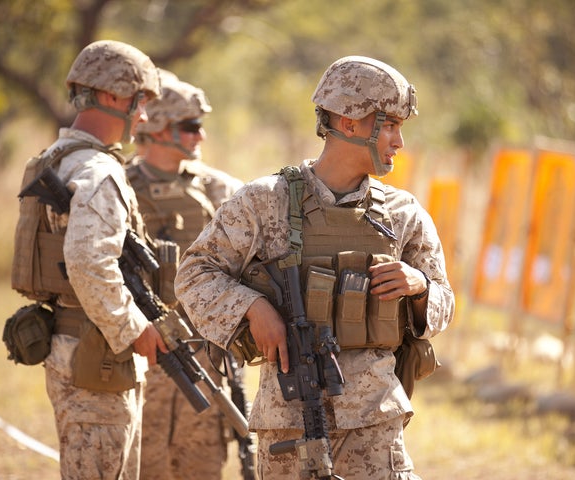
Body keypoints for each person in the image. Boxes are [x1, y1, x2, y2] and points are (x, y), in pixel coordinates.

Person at [174, 55, 455, 479]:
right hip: (289, 419)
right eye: (391, 125)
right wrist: (252, 307)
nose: (399, 142)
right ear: (349, 122)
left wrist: (419, 288)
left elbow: (444, 302)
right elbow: (194, 273)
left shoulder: (402, 213)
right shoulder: (264, 200)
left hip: (374, 422)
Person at [10, 40, 167, 479]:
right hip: (96, 356)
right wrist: (135, 328)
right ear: (113, 97)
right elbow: (87, 263)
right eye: (140, 102)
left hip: (75, 341)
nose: (144, 116)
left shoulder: (60, 160)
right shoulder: (99, 171)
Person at [126, 73, 250, 479]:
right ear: (157, 127)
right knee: (143, 462)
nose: (200, 136)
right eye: (190, 126)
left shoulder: (219, 189)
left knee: (202, 463)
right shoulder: (120, 187)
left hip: (206, 353)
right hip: (142, 349)